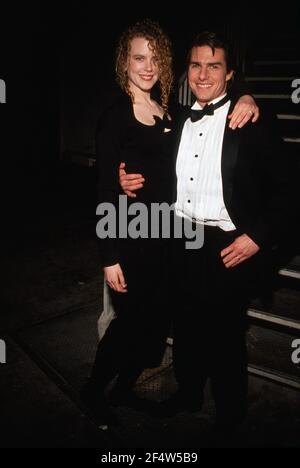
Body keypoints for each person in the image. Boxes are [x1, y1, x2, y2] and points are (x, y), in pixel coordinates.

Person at [82, 21, 259, 430]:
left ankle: (124, 387)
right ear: (123, 62)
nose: (147, 67)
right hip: (132, 237)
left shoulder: (169, 112)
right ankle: (93, 391)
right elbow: (104, 189)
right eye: (137, 57)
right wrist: (108, 257)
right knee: (128, 326)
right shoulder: (115, 116)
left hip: (170, 239)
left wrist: (246, 92)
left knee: (151, 328)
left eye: (154, 58)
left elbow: (220, 87)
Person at [119, 31, 296, 432]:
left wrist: (256, 237)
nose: (202, 75)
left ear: (229, 74)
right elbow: (149, 161)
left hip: (225, 244)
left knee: (226, 337)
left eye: (213, 66)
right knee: (185, 328)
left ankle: (230, 415)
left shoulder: (250, 120)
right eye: (196, 65)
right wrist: (123, 176)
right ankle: (187, 393)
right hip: (179, 238)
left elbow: (290, 190)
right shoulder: (177, 117)